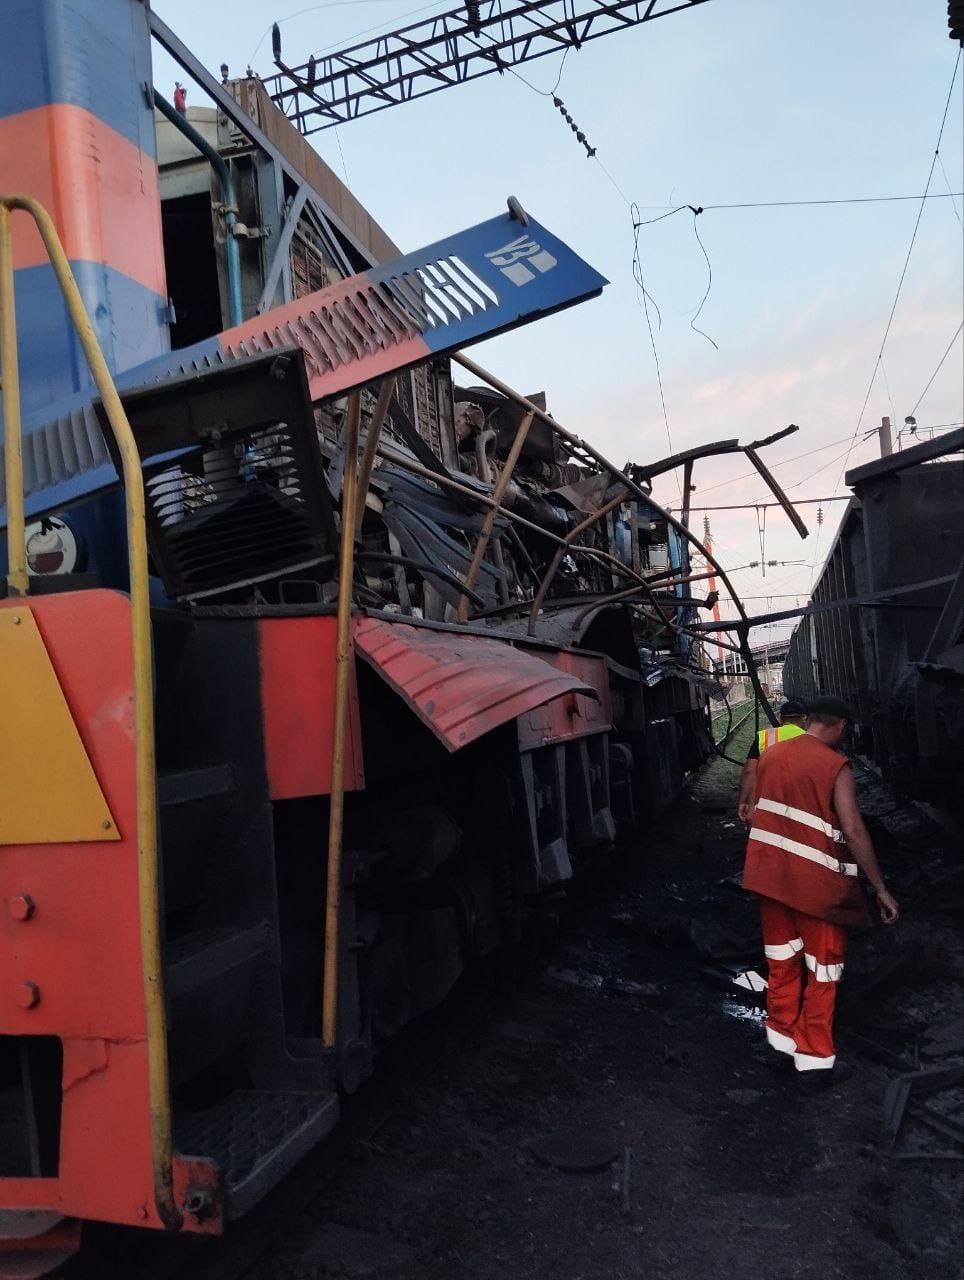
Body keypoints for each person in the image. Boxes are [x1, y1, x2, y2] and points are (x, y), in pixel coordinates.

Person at [742, 695, 899, 1084]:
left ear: (809, 720)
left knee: (782, 961)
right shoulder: (834, 765)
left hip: (771, 878)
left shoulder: (771, 754)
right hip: (816, 885)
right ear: (841, 726)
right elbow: (854, 829)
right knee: (823, 970)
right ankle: (813, 1061)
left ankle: (780, 1045)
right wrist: (879, 888)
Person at [736, 698, 808, 824]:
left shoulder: (764, 737)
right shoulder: (811, 738)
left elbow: (749, 772)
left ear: (780, 718)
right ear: (804, 718)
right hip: (802, 802)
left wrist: (744, 801)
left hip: (768, 801)